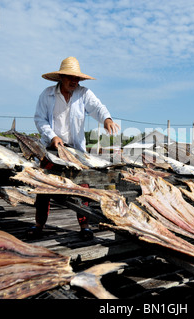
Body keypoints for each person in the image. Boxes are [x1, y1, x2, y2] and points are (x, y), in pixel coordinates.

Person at [29, 56, 120, 239]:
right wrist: (52, 136)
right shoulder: (47, 95)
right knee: (43, 188)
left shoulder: (84, 94)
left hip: (76, 151)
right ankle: (39, 225)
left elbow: (97, 107)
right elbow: (40, 119)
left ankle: (85, 226)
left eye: (77, 78)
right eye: (71, 78)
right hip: (52, 149)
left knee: (82, 187)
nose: (74, 81)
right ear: (61, 77)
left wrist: (106, 119)